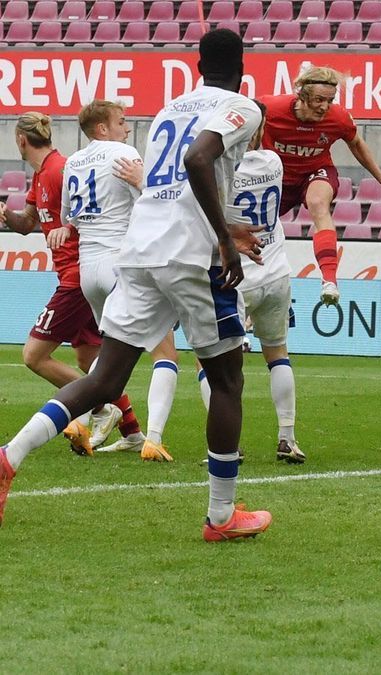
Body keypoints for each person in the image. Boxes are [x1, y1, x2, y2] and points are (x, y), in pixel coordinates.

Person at [0, 29, 271, 542]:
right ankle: (221, 517)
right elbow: (197, 162)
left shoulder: (170, 109)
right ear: (242, 66)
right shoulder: (241, 106)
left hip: (140, 250)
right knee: (228, 378)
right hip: (190, 257)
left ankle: (7, 457)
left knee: (104, 379)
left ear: (196, 65)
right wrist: (224, 238)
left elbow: (167, 182)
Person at [0, 112, 129, 457]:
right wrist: (4, 214)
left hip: (78, 276)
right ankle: (131, 430)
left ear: (20, 140)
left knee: (34, 355)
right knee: (89, 359)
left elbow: (83, 219)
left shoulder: (60, 170)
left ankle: (99, 407)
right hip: (78, 275)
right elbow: (28, 223)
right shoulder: (43, 173)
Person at [62, 99, 179, 460]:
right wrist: (144, 183)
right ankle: (154, 439)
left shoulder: (72, 162)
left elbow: (70, 215)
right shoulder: (123, 153)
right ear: (102, 128)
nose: (127, 128)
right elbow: (155, 201)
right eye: (122, 121)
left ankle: (81, 419)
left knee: (112, 353)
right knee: (165, 352)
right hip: (120, 263)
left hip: (88, 268)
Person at [197, 101, 305, 464]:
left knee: (207, 363)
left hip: (235, 275)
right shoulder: (273, 162)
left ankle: (229, 445)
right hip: (276, 272)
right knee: (277, 353)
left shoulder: (224, 169)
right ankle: (287, 438)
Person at [261, 66, 381, 307]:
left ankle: (329, 281)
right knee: (257, 229)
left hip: (315, 172)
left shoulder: (338, 117)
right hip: (275, 179)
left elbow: (356, 143)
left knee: (318, 203)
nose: (324, 106)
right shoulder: (270, 109)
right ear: (302, 95)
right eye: (319, 100)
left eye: (330, 100)